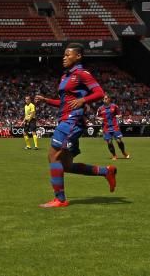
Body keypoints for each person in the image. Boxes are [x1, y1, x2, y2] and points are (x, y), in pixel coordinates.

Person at [34, 43, 117, 208]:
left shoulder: (82, 74)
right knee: (66, 165)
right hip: (66, 118)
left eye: (67, 55)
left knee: (53, 156)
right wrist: (46, 100)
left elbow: (99, 93)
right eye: (64, 55)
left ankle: (60, 199)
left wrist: (83, 100)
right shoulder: (66, 76)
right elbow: (65, 103)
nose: (64, 58)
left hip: (72, 121)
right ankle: (106, 171)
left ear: (78, 56)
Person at [97, 95, 129, 160]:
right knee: (109, 142)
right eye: (104, 99)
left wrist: (119, 116)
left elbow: (119, 114)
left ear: (109, 99)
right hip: (106, 127)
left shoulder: (114, 106)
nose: (104, 100)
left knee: (118, 141)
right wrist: (99, 118)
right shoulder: (100, 108)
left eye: (106, 98)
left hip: (114, 126)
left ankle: (123, 152)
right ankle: (114, 155)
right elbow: (97, 116)